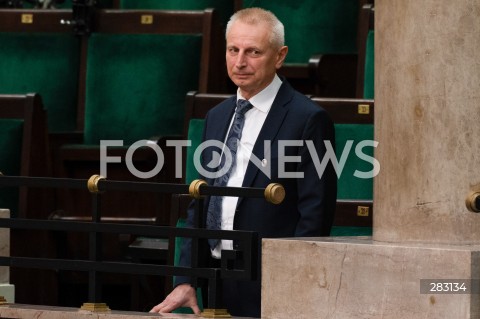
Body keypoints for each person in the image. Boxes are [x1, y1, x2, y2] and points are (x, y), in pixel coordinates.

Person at [150, 7, 337, 318]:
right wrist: (186, 279)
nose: (240, 62)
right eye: (233, 50)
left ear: (279, 56)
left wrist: (293, 280)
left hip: (271, 281)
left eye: (253, 52)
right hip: (216, 279)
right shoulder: (217, 116)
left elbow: (315, 214)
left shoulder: (308, 119)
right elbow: (201, 200)